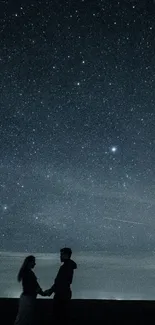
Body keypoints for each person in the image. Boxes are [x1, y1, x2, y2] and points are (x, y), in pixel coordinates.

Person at [44, 247, 77, 324]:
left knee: (59, 316)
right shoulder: (68, 266)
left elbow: (60, 282)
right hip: (64, 293)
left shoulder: (65, 267)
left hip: (62, 294)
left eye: (61, 254)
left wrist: (51, 290)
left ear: (66, 255)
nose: (60, 256)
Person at [14, 255, 45, 325]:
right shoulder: (28, 273)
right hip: (28, 299)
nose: (35, 264)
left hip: (27, 298)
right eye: (33, 262)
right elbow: (34, 286)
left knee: (22, 319)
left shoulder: (27, 273)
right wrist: (42, 293)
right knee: (24, 319)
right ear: (29, 262)